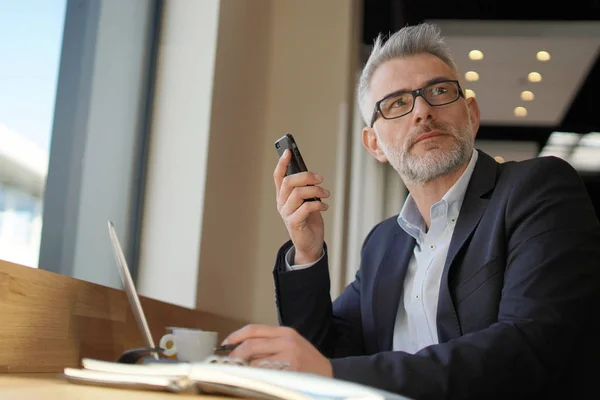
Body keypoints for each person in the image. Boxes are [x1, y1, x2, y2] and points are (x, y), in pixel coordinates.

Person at [223, 22, 600, 399]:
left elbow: (527, 350)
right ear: (374, 145)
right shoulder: (383, 243)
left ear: (471, 114)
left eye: (438, 91)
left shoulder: (539, 190)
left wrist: (334, 373)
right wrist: (306, 251)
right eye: (397, 103)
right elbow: (323, 354)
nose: (422, 110)